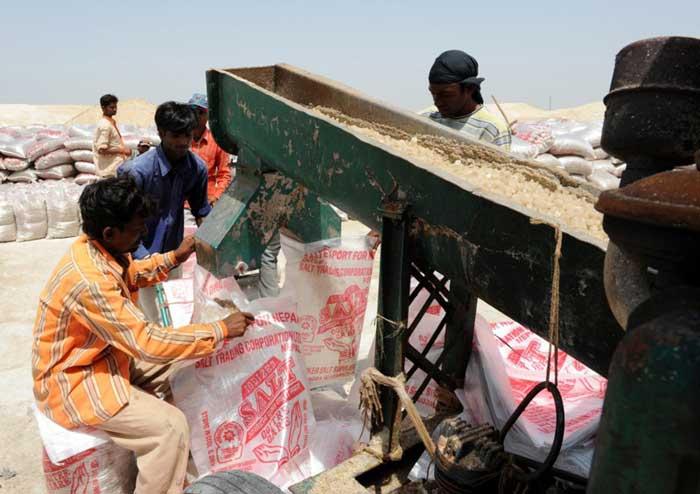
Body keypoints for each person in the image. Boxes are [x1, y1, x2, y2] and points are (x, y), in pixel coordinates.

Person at [31, 176, 254, 494]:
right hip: (74, 378)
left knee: (187, 364)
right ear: (110, 232)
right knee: (170, 428)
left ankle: (174, 464)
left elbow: (131, 274)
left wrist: (173, 257)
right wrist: (219, 329)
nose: (143, 235)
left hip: (105, 356)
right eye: (137, 231)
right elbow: (146, 343)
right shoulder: (90, 281)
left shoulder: (100, 249)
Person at [118, 101, 211, 260]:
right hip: (137, 257)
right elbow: (123, 224)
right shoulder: (137, 172)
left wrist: (211, 245)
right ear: (161, 133)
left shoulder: (197, 169)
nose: (183, 142)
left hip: (173, 256)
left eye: (187, 136)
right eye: (176, 136)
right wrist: (146, 260)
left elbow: (201, 212)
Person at [423, 50, 511, 151]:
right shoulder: (427, 120)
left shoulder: (491, 129)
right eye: (433, 94)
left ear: (469, 89)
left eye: (446, 95)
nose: (437, 102)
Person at [188, 93, 233, 206]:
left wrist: (216, 196)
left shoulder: (217, 141)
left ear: (208, 115)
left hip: (205, 204)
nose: (196, 116)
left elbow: (224, 174)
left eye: (200, 112)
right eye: (192, 111)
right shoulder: (180, 140)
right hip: (181, 205)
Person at [93, 94, 132, 178]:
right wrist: (122, 150)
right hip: (109, 171)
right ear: (103, 108)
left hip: (115, 169)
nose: (115, 109)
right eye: (111, 107)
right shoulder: (105, 125)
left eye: (115, 107)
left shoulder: (110, 123)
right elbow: (101, 150)